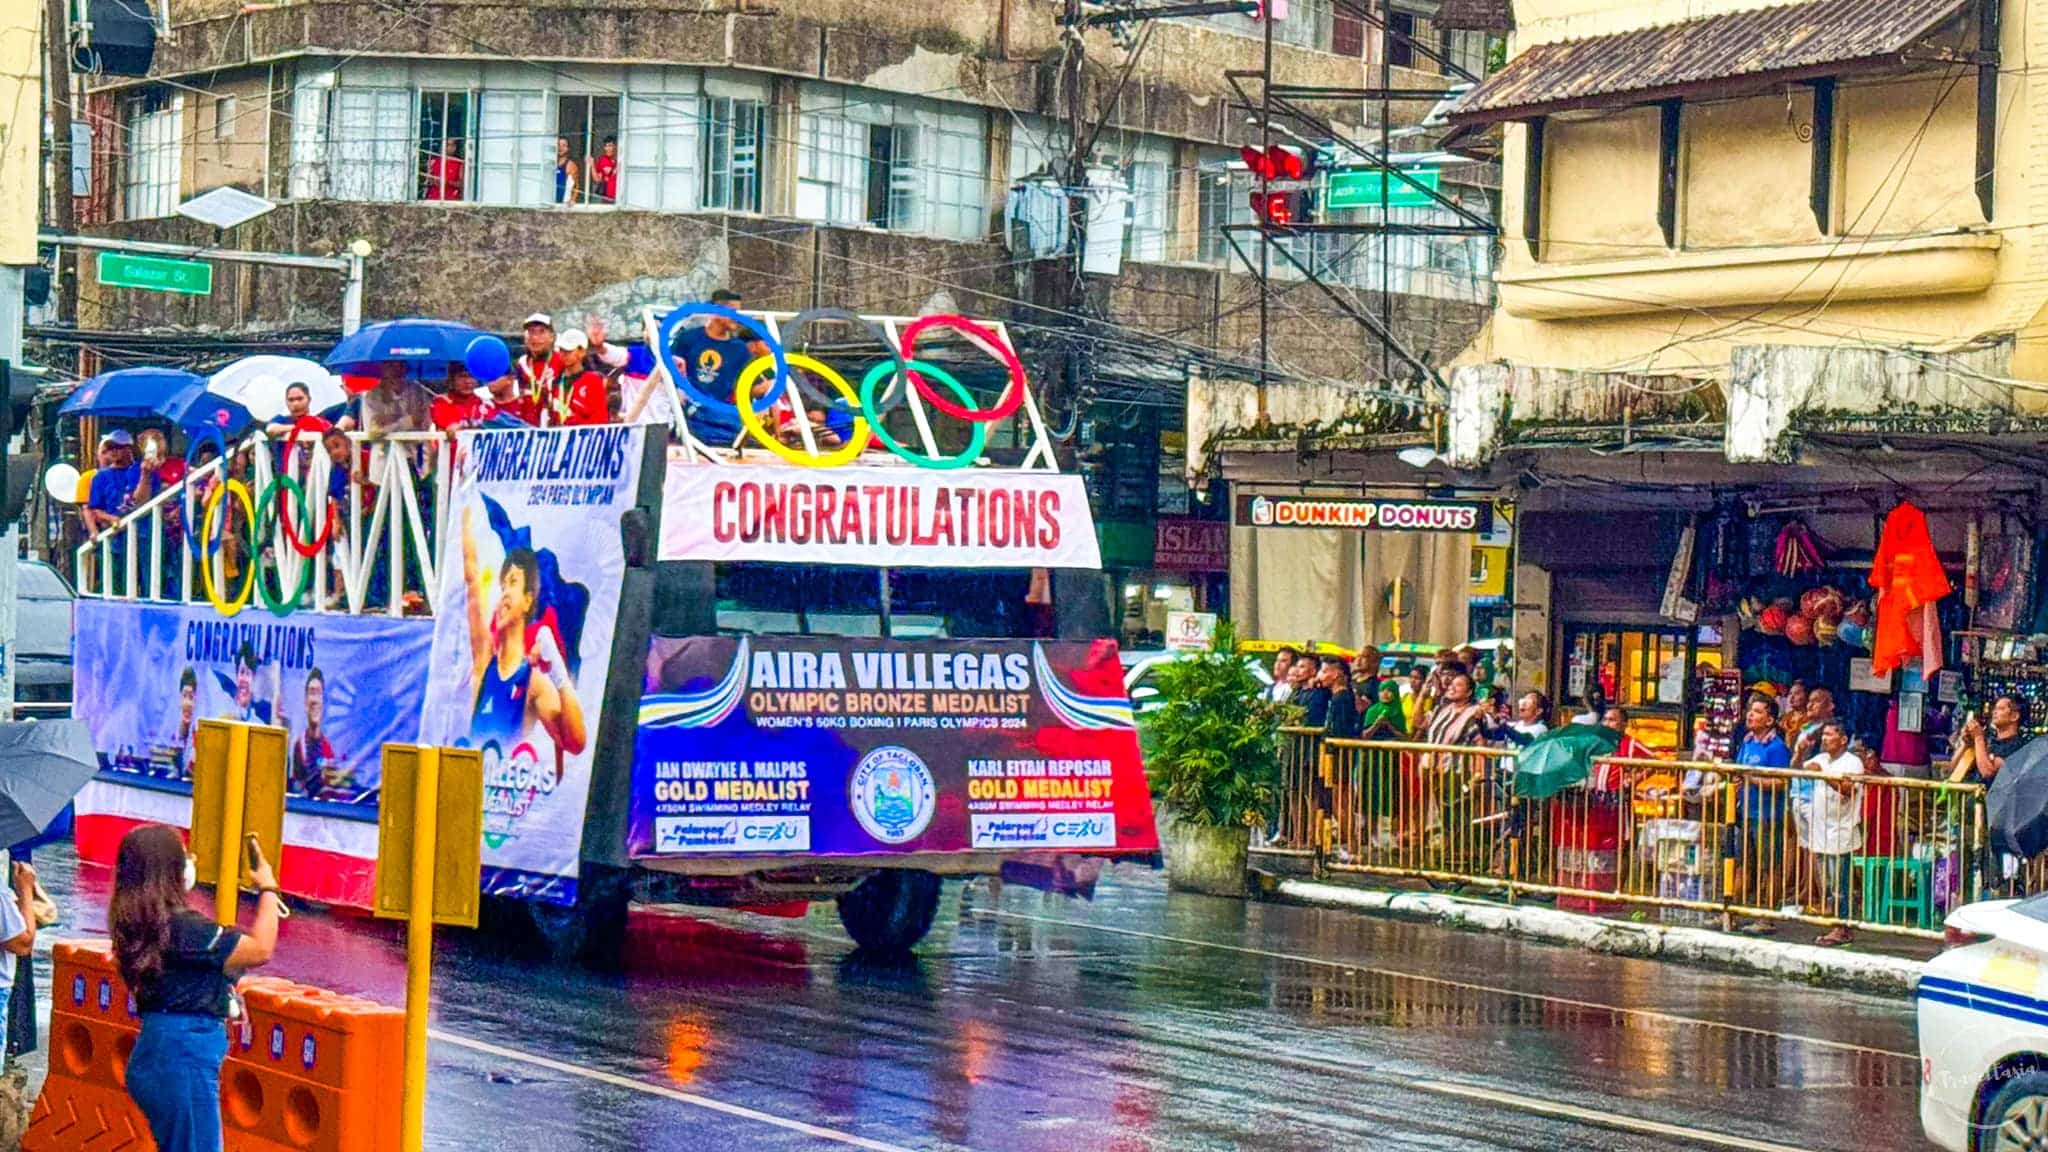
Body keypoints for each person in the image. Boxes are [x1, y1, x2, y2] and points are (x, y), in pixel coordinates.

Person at [112, 825, 279, 1152]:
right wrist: (269, 888)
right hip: (184, 1054)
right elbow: (261, 948)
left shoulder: (135, 921)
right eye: (183, 855)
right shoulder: (185, 927)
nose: (191, 860)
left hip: (157, 1050)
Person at [460, 507, 588, 755]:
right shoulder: (484, 661)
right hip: (471, 788)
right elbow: (472, 576)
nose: (504, 591)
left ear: (528, 601)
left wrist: (560, 676)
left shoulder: (534, 681)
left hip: (508, 791)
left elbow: (575, 743)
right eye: (503, 583)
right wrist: (465, 507)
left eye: (513, 582)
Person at [669, 288, 772, 447]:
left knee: (747, 430)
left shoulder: (739, 349)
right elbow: (670, 371)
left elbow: (754, 387)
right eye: (733, 312)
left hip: (722, 413)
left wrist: (777, 386)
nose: (737, 318)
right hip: (691, 408)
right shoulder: (689, 338)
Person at [1798, 720, 1864, 947]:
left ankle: (1842, 927)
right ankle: (1834, 923)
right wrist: (1800, 752)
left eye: (1829, 735)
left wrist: (1824, 775)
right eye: (1823, 735)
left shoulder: (1852, 762)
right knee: (1826, 881)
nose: (1825, 739)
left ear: (1843, 739)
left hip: (1840, 830)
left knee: (1840, 882)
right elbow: (1798, 770)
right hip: (1821, 829)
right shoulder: (1821, 758)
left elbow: (1848, 791)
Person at [1733, 694, 1795, 934]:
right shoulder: (1747, 742)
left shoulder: (1777, 747)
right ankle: (1733, 912)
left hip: (1769, 815)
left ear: (1770, 720)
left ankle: (1766, 916)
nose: (1751, 715)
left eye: (1758, 712)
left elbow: (1782, 781)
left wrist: (1753, 778)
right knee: (1741, 864)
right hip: (1745, 812)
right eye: (1750, 710)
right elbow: (1741, 770)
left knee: (1771, 866)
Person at [1954, 695, 2029, 784]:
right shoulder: (1988, 742)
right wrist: (1965, 745)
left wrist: (1978, 737)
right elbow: (1953, 770)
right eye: (1995, 708)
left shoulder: (2018, 747)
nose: (1994, 712)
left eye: (2001, 708)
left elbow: (1988, 772)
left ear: (2014, 716)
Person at [543, 330, 611, 427]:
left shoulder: (592, 381)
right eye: (561, 350)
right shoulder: (556, 382)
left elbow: (600, 420)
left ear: (582, 352)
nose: (564, 354)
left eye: (569, 351)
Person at [287, 668, 336, 800]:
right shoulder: (299, 746)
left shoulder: (329, 748)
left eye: (318, 693)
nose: (314, 700)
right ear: (305, 701)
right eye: (311, 693)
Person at [429, 364, 491, 432]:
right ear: (451, 380)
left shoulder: (485, 403)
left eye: (472, 376)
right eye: (462, 376)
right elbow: (449, 428)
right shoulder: (441, 401)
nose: (468, 381)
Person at [515, 313, 563, 401]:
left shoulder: (562, 361)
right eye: (531, 331)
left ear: (552, 337)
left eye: (542, 331)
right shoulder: (521, 364)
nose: (535, 337)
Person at [1319, 658, 1360, 739]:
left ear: (1335, 674)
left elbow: (1340, 730)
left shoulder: (1341, 699)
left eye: (1324, 672)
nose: (1320, 676)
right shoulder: (1336, 696)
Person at [424, 137, 464, 201]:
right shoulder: (433, 161)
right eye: (446, 145)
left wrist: (447, 182)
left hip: (451, 200)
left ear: (455, 147)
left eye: (451, 145)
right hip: (433, 198)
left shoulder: (459, 163)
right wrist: (433, 180)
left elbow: (462, 184)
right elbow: (427, 181)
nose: (449, 147)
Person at [591, 136, 618, 202]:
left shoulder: (620, 159)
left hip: (619, 196)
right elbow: (597, 179)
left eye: (610, 146)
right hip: (607, 198)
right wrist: (592, 165)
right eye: (606, 146)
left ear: (615, 146)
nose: (607, 149)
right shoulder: (603, 160)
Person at [554, 136, 580, 204]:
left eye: (564, 145)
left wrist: (573, 200)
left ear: (568, 149)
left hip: (563, 204)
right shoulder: (549, 164)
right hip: (550, 203)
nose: (560, 148)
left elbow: (576, 186)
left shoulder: (571, 165)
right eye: (558, 145)